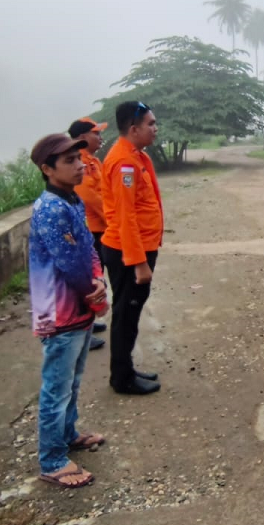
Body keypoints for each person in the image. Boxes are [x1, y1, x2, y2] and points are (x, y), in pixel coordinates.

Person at [27, 133, 107, 489]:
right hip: (60, 312)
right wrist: (96, 296)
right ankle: (53, 460)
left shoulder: (72, 199)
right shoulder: (50, 208)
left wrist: (98, 278)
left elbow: (87, 248)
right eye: (70, 161)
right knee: (56, 389)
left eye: (79, 159)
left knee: (72, 381)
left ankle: (68, 434)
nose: (80, 166)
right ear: (47, 169)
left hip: (79, 305)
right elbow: (69, 264)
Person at [100, 101, 164, 396]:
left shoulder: (136, 156)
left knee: (130, 311)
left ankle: (125, 368)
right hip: (128, 252)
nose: (155, 128)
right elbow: (125, 217)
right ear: (133, 129)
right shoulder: (123, 163)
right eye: (150, 124)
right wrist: (138, 262)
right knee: (126, 313)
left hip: (138, 247)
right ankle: (122, 378)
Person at [69, 116, 110, 351]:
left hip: (99, 229)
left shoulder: (93, 161)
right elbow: (90, 197)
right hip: (90, 231)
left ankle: (88, 323)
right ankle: (81, 330)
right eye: (96, 133)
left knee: (95, 278)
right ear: (83, 137)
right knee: (88, 281)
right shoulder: (78, 163)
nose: (100, 137)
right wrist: (112, 220)